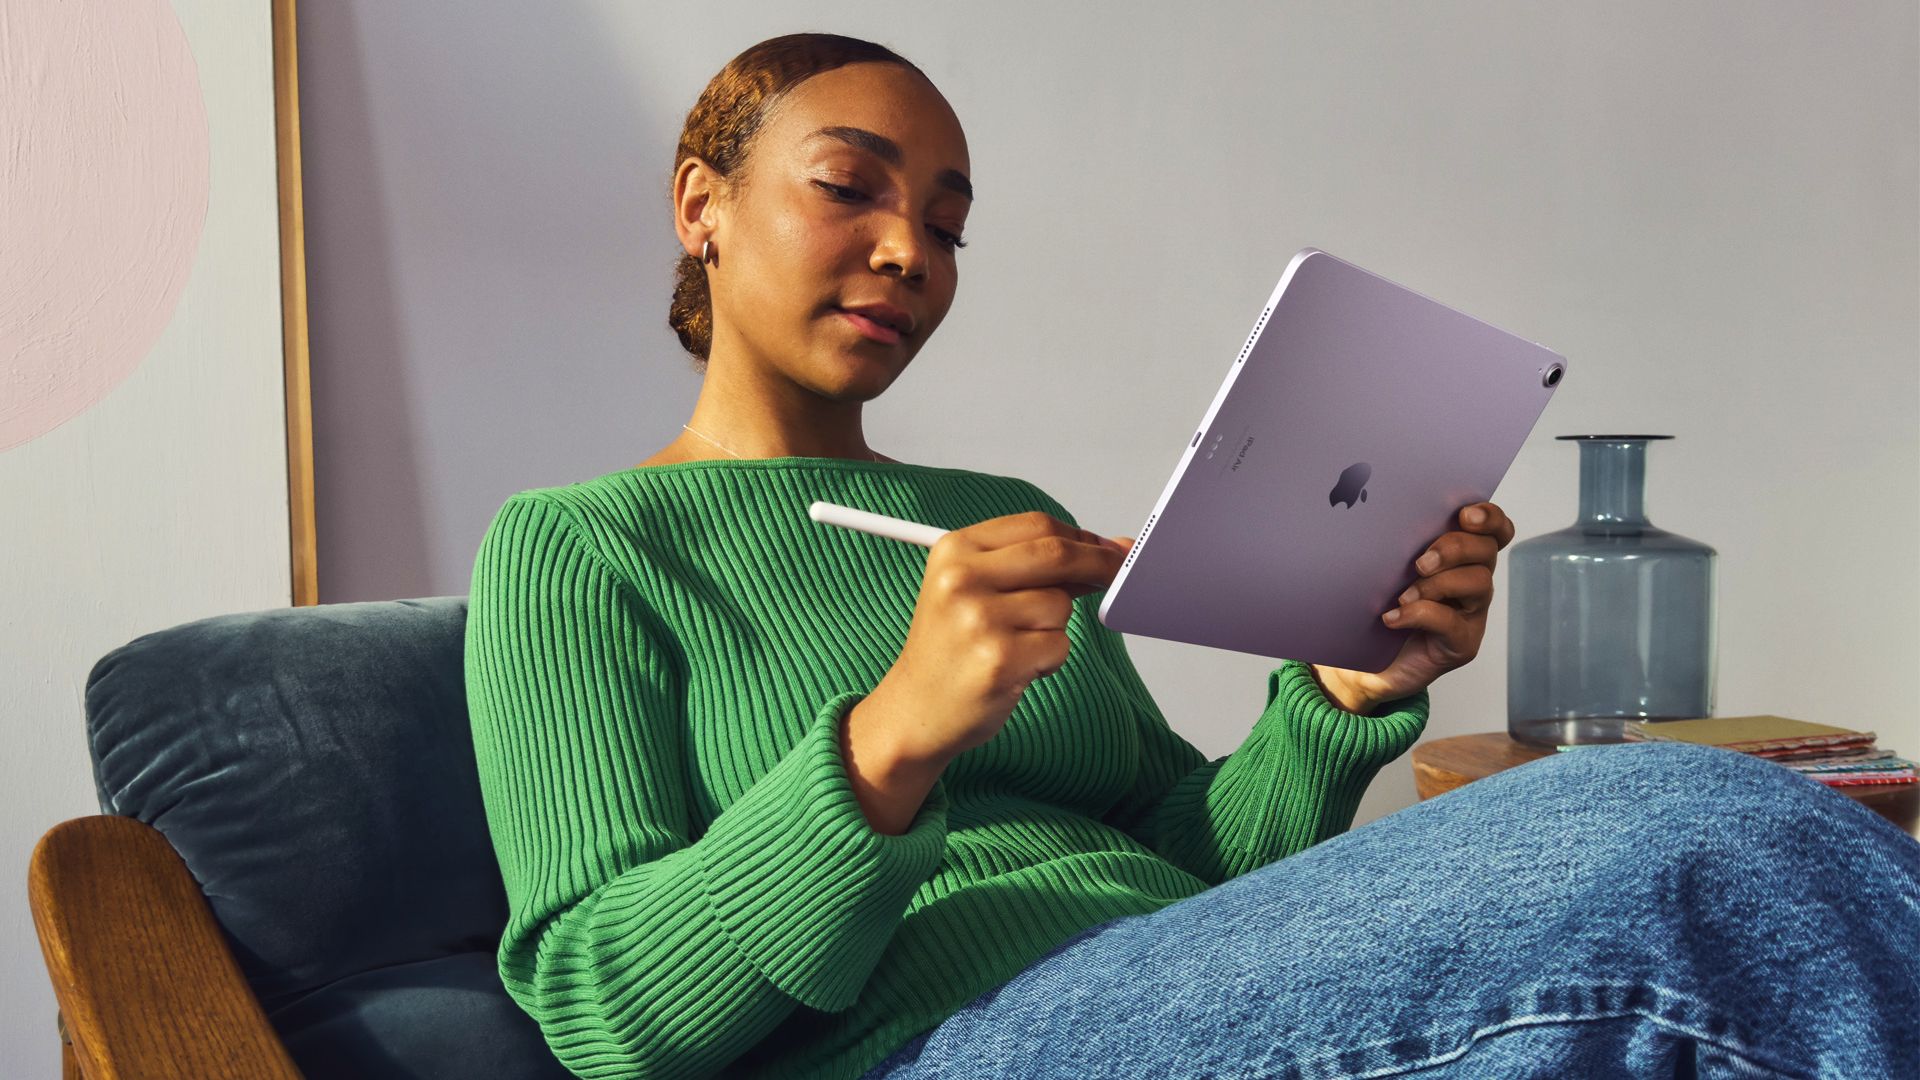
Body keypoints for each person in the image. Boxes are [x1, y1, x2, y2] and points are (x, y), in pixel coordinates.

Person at [462, 32, 1920, 1080]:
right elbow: (606, 1013)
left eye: (951, 226)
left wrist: (1343, 694)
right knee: (1681, 843)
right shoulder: (580, 548)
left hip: (1176, 978)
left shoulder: (990, 507)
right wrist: (890, 742)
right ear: (700, 205)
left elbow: (1186, 858)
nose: (911, 251)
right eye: (851, 186)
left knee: (1697, 838)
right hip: (934, 1043)